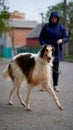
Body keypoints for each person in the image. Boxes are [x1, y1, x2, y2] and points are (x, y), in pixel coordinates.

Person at [39, 11, 68, 92]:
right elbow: (41, 37)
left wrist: (62, 40)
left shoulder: (61, 27)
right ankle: (44, 85)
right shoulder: (46, 27)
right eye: (52, 18)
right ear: (50, 18)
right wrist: (43, 45)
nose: (54, 19)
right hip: (47, 51)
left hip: (56, 51)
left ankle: (55, 85)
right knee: (44, 68)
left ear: (57, 19)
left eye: (55, 18)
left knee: (55, 68)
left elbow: (66, 37)